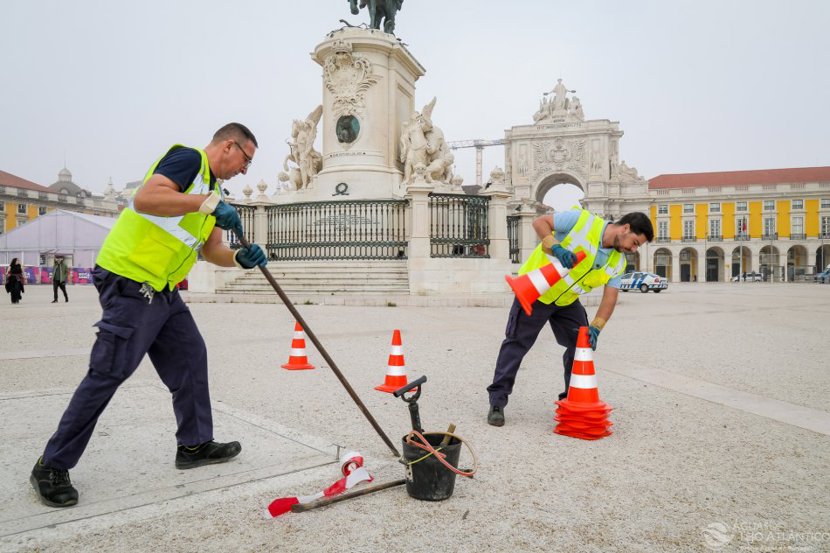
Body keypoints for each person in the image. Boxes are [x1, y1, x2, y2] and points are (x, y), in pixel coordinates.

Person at [30, 123, 267, 508]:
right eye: (246, 160)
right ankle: (51, 464)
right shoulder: (188, 160)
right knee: (109, 370)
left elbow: (212, 250)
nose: (245, 170)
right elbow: (146, 199)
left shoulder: (214, 191)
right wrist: (205, 203)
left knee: (191, 355)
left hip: (163, 288)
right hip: (129, 279)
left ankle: (193, 445)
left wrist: (240, 257)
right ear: (229, 146)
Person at [486, 208, 654, 427]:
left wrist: (596, 327)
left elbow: (610, 297)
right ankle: (497, 402)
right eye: (635, 242)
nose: (633, 249)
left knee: (581, 345)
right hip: (536, 291)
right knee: (516, 344)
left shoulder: (618, 262)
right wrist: (555, 246)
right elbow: (540, 222)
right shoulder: (582, 221)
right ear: (626, 228)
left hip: (567, 301)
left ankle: (570, 400)